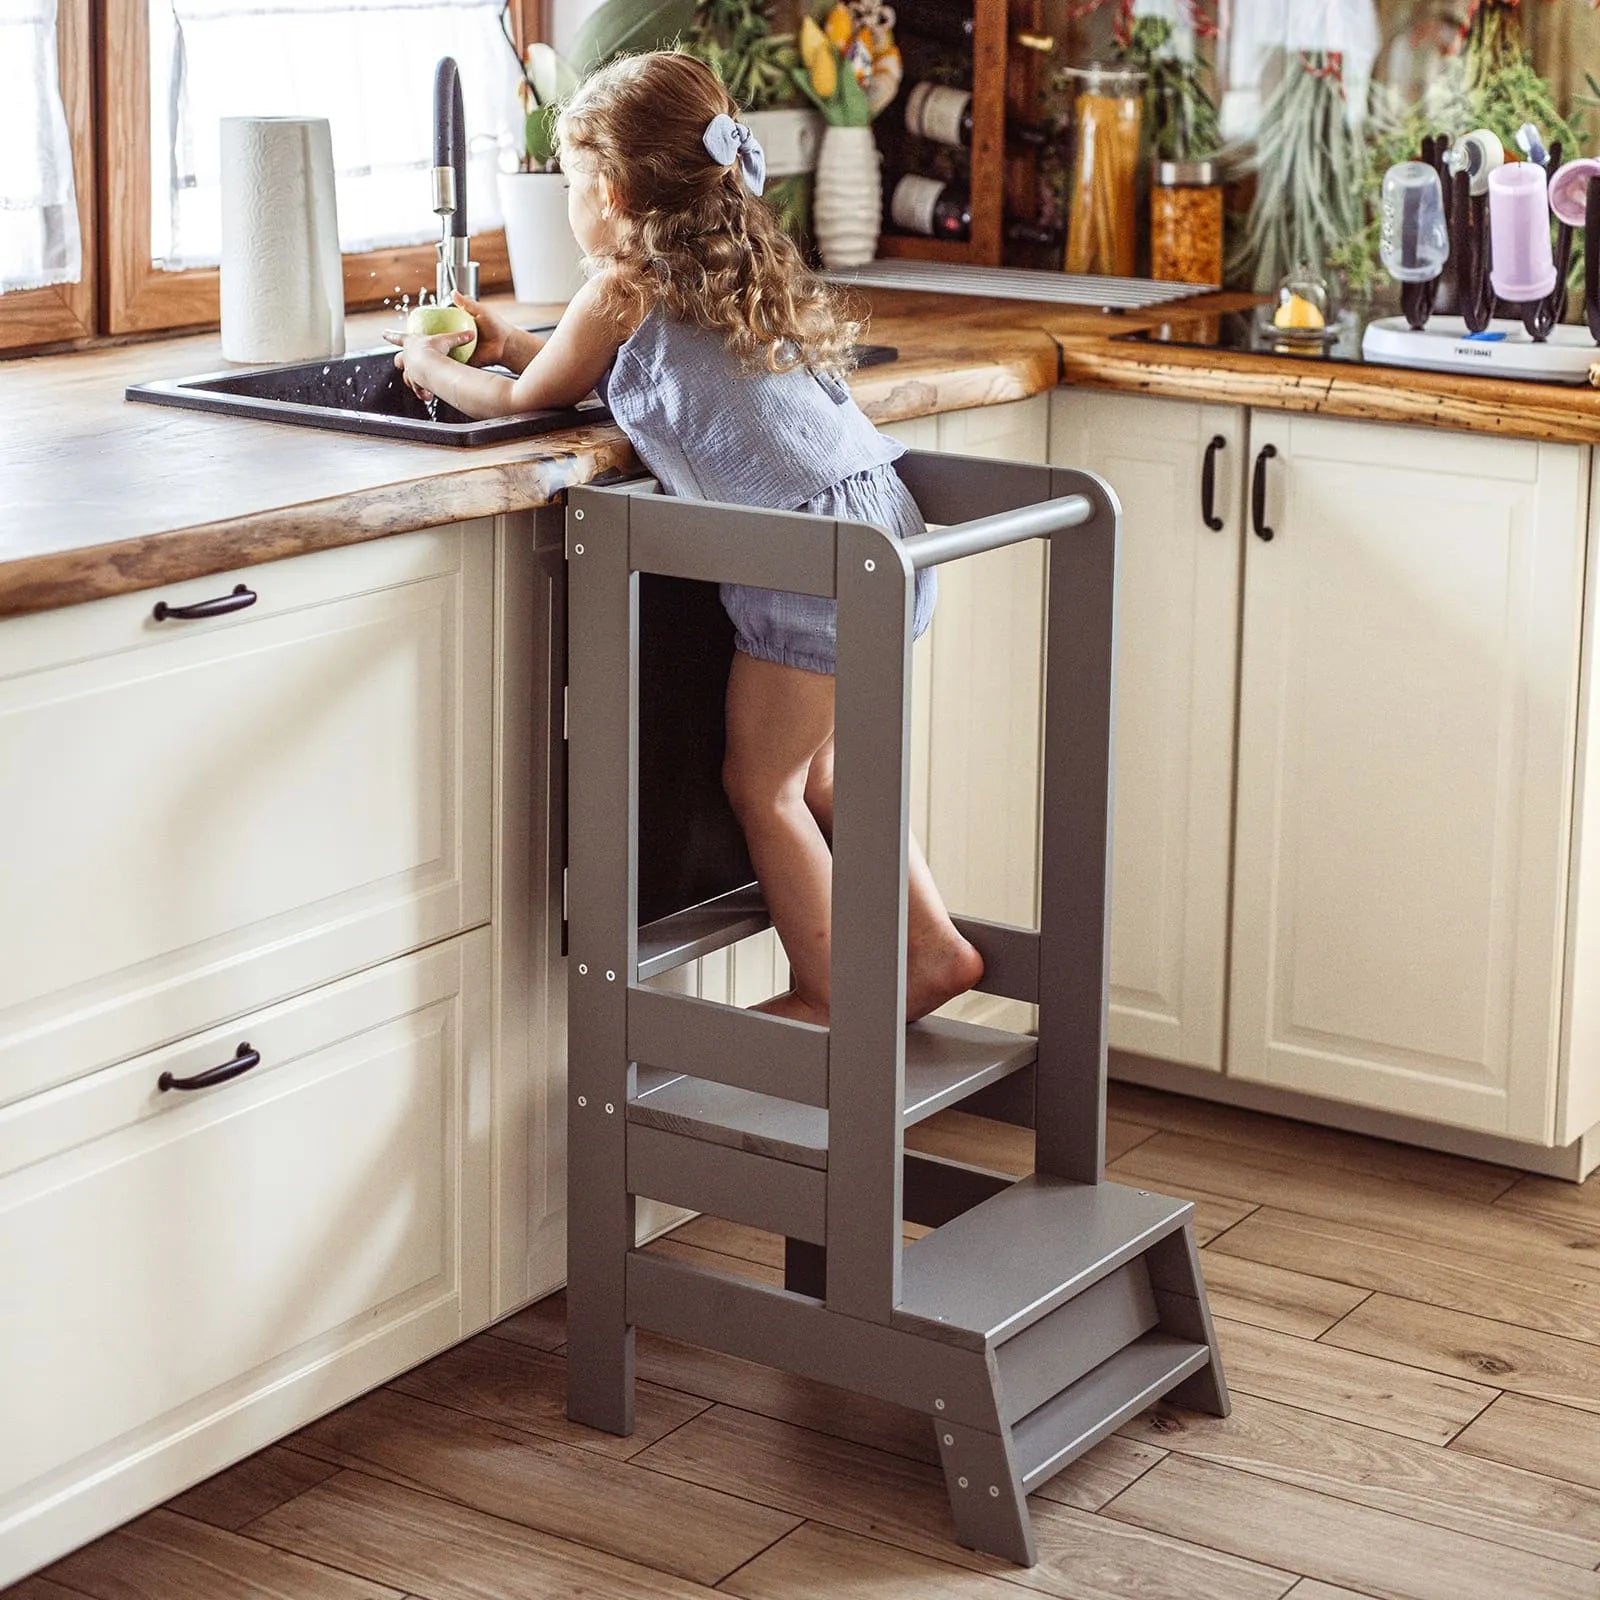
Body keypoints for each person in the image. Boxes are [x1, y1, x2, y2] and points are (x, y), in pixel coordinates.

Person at [390, 51, 982, 1025]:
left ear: (612, 193)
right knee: (827, 775)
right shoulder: (728, 265)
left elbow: (524, 400)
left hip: (807, 568)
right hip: (879, 532)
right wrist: (505, 339)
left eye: (573, 182)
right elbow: (581, 367)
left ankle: (831, 990)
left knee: (764, 786)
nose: (572, 201)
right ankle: (932, 950)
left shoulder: (619, 286)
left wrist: (430, 363)